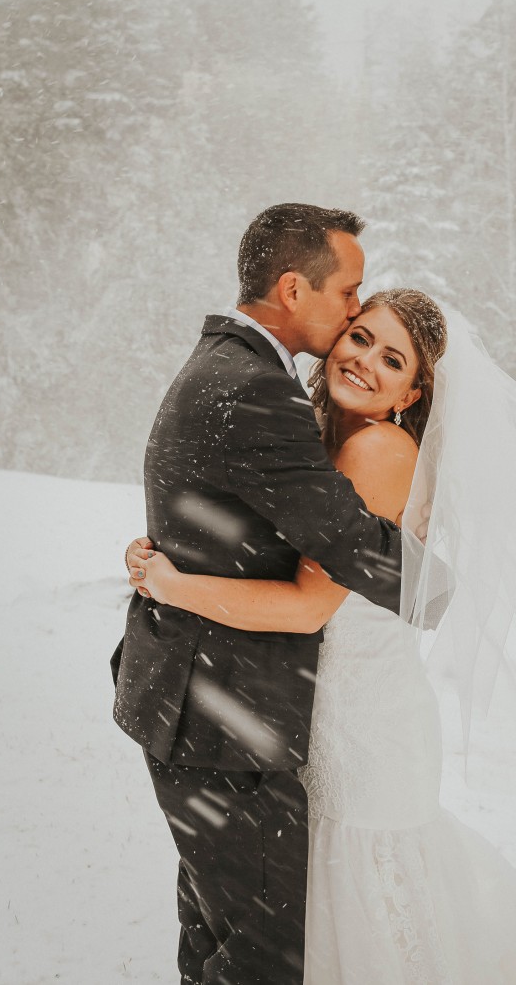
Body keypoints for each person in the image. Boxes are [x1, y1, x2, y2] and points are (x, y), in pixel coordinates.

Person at [128, 288, 516, 984]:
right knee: (313, 902)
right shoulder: (321, 438)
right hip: (314, 712)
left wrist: (170, 586)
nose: (364, 361)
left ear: (411, 392)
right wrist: (159, 556)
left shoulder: (381, 451)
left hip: (364, 727)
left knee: (366, 900)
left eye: (392, 360)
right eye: (360, 338)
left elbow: (304, 607)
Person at [112, 204, 413, 985]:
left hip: (204, 712)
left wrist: (161, 569)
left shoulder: (228, 364)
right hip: (220, 724)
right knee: (263, 960)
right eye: (348, 293)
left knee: (218, 936)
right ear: (292, 289)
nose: (354, 307)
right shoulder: (252, 386)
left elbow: (230, 515)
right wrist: (442, 583)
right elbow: (343, 536)